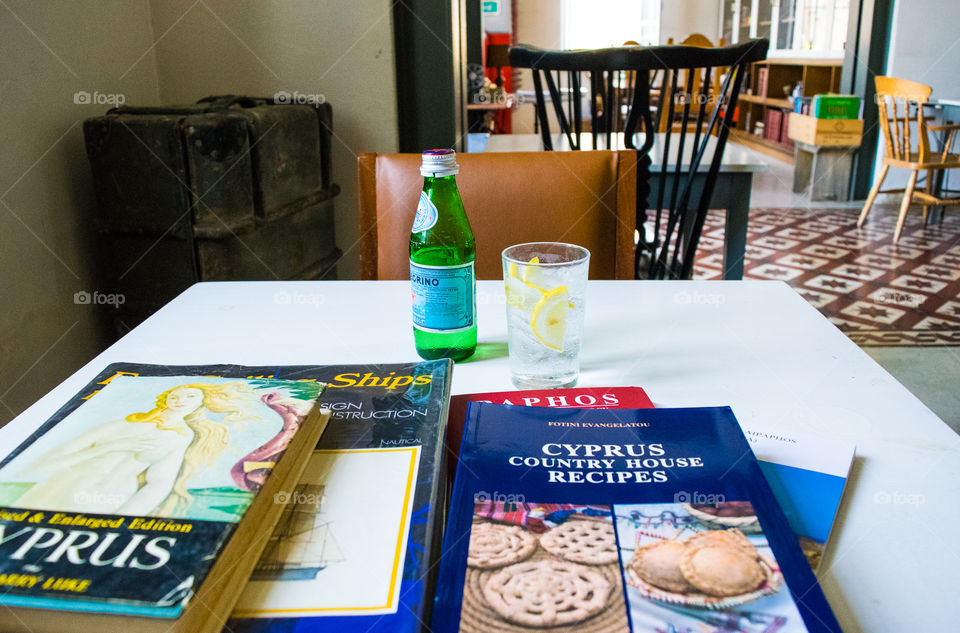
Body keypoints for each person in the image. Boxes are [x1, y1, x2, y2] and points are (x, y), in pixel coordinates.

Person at [11, 381, 256, 518]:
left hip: (109, 500)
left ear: (201, 403)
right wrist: (113, 446)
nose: (180, 401)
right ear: (165, 399)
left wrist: (127, 516)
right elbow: (41, 463)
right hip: (61, 489)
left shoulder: (182, 435)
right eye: (174, 396)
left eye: (190, 397)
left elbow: (159, 482)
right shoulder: (124, 423)